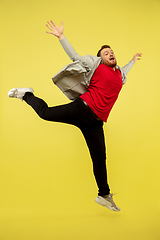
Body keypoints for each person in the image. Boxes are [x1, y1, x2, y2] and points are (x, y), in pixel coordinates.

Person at [8, 21, 142, 212]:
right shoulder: (96, 66)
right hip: (83, 108)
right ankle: (26, 94)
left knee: (99, 158)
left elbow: (125, 71)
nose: (110, 53)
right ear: (100, 58)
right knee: (46, 113)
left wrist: (132, 61)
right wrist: (61, 37)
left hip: (95, 123)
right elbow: (75, 56)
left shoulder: (119, 74)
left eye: (112, 51)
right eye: (106, 53)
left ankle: (104, 195)